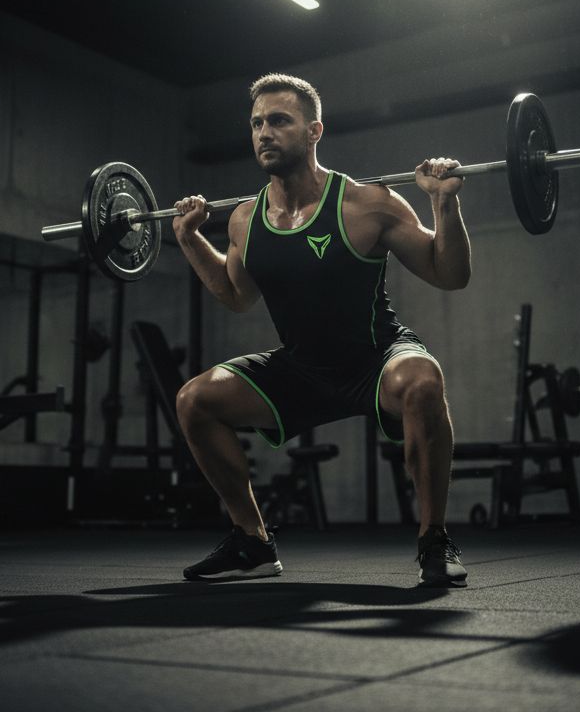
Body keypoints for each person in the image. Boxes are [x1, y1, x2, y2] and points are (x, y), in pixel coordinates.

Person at [172, 73, 471, 587]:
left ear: (314, 131)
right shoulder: (245, 220)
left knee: (423, 381)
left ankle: (434, 540)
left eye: (279, 121)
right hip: (301, 368)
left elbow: (451, 275)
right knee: (194, 400)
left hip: (376, 358)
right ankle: (253, 541)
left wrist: (444, 203)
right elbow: (237, 294)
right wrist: (190, 239)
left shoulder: (367, 204)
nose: (265, 132)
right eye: (257, 123)